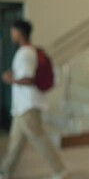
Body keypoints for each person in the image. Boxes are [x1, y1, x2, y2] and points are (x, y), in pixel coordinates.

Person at [0, 21, 69, 179]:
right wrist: (13, 75)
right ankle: (5, 171)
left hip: (28, 106)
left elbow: (29, 79)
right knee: (15, 142)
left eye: (13, 32)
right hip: (22, 106)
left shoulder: (25, 53)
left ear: (20, 33)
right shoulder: (30, 51)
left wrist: (10, 80)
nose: (11, 35)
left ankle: (60, 170)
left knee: (39, 139)